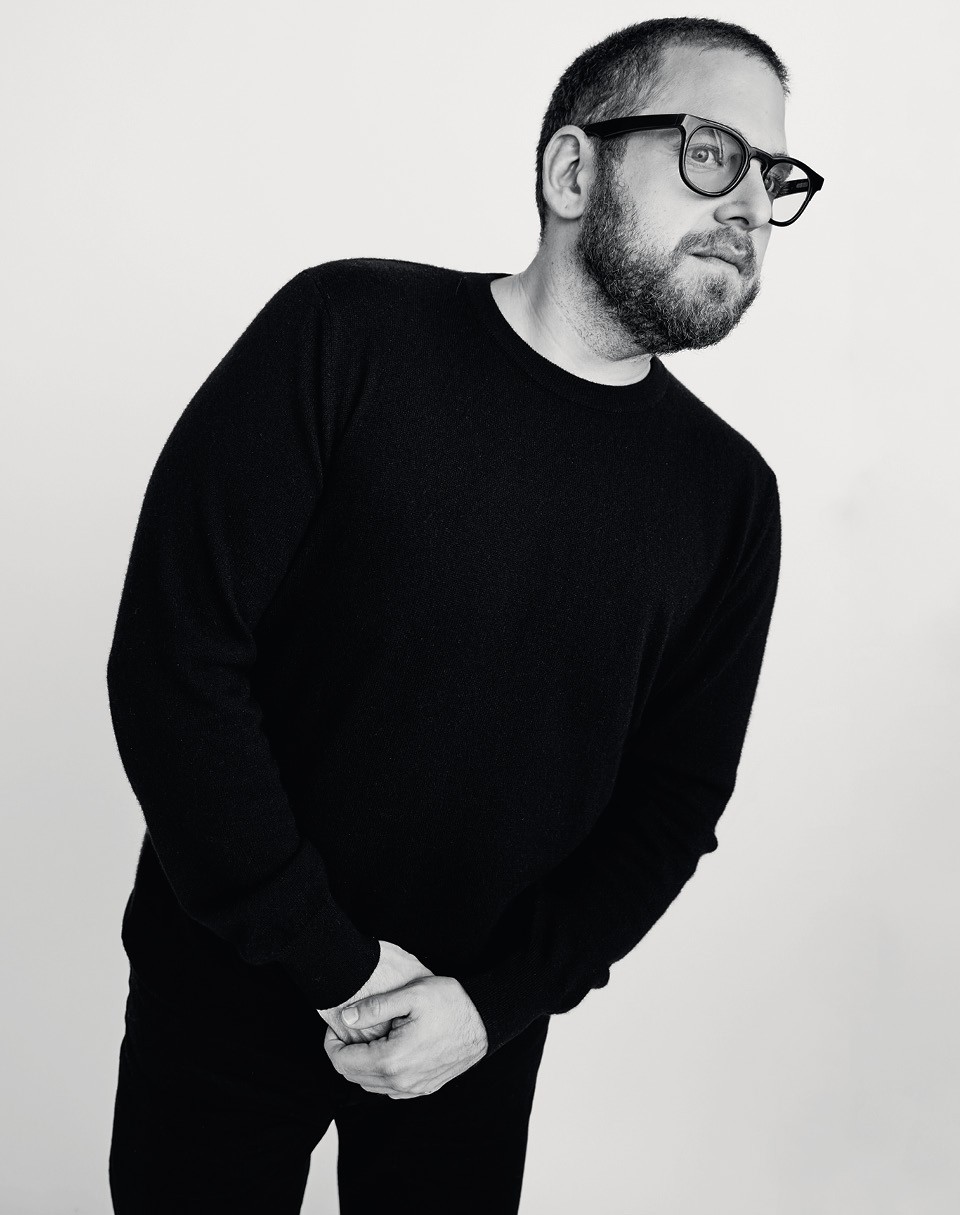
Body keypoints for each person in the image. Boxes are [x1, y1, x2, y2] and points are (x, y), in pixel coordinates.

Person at [106, 15, 822, 1215]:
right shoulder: (346, 333)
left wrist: (492, 1006)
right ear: (573, 169)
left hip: (471, 1037)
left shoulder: (730, 498)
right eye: (713, 153)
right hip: (227, 985)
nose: (752, 204)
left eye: (777, 177)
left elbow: (674, 803)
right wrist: (333, 960)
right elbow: (176, 664)